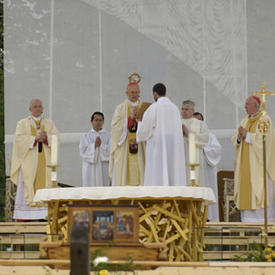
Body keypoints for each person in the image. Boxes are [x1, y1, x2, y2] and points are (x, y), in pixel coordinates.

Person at [10, 99, 60, 220]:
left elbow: (57, 137)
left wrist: (47, 138)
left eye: (39, 107)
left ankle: (45, 216)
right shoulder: (22, 123)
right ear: (30, 109)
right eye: (35, 107)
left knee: (47, 184)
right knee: (27, 184)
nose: (37, 109)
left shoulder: (49, 123)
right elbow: (18, 140)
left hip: (45, 162)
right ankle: (25, 216)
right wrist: (35, 139)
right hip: (29, 163)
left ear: (42, 109)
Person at [232, 96, 275, 222]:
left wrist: (248, 135)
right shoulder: (245, 120)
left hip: (259, 165)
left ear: (256, 105)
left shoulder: (265, 120)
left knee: (260, 190)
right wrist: (240, 137)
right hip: (245, 165)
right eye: (245, 104)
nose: (245, 107)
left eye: (248, 104)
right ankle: (247, 227)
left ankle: (264, 229)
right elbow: (236, 139)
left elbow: (267, 141)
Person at [136, 83, 186, 186]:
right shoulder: (175, 108)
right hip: (173, 148)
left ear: (155, 93)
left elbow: (144, 132)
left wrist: (139, 123)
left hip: (158, 148)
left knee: (158, 173)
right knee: (172, 171)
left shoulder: (153, 108)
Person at [109, 76, 146, 186]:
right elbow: (115, 126)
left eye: (136, 92)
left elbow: (149, 126)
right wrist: (128, 120)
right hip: (125, 145)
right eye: (132, 92)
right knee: (123, 173)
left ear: (139, 93)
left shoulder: (144, 107)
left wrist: (140, 122)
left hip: (140, 145)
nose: (134, 95)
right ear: (126, 93)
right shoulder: (120, 108)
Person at [194, 112, 221, 222]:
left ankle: (209, 218)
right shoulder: (186, 135)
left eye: (200, 121)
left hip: (206, 171)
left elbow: (217, 150)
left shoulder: (210, 136)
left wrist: (204, 148)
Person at [181, 101, 209, 187]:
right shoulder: (176, 123)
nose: (184, 111)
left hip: (194, 160)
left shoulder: (200, 124)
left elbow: (205, 138)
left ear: (192, 111)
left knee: (193, 181)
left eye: (186, 109)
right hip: (180, 157)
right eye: (182, 109)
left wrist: (188, 134)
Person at [79, 112, 110, 186]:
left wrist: (101, 146)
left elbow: (111, 151)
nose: (98, 122)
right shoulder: (86, 136)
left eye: (100, 120)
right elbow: (82, 152)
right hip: (90, 168)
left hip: (104, 166)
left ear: (103, 122)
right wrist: (94, 146)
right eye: (96, 120)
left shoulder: (109, 135)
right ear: (91, 121)